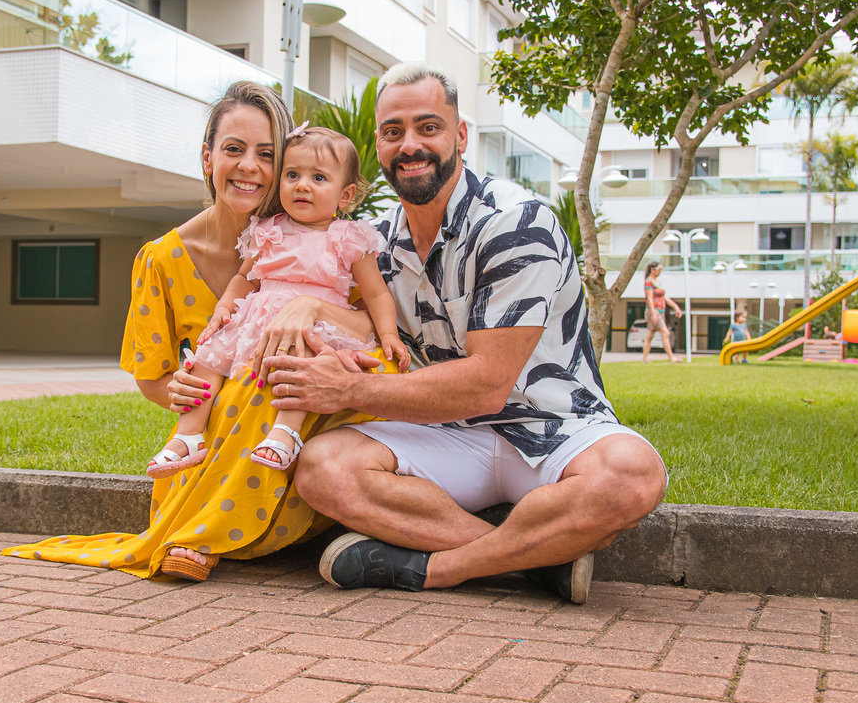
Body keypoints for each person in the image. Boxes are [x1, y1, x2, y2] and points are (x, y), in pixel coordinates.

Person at [260, 63, 668, 605]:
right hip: (448, 432)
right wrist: (311, 307)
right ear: (378, 146)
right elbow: (361, 323)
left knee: (632, 475)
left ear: (460, 136)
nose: (410, 145)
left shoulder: (516, 222)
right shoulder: (372, 242)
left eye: (428, 128)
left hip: (552, 425)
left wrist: (350, 390)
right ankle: (535, 565)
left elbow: (486, 385)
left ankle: (437, 571)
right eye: (392, 131)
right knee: (322, 468)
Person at [3, 82, 394, 583]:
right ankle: (198, 527)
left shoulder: (325, 245)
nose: (249, 166)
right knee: (245, 382)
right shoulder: (162, 259)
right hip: (213, 435)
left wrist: (310, 305)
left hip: (293, 415)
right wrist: (180, 391)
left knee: (312, 370)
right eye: (234, 149)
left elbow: (370, 328)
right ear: (208, 157)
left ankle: (207, 533)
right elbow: (151, 377)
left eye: (267, 154)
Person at [145, 125, 409, 478]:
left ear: (344, 196)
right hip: (255, 320)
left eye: (318, 177)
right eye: (292, 174)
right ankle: (188, 435)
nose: (302, 185)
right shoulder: (267, 229)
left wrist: (389, 334)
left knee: (301, 364)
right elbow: (244, 278)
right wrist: (224, 307)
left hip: (313, 326)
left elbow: (376, 293)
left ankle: (286, 433)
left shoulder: (348, 237)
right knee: (207, 357)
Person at [642, 261, 682, 363]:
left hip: (661, 311)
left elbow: (664, 297)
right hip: (654, 311)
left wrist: (675, 307)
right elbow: (649, 298)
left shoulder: (658, 282)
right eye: (659, 269)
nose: (660, 271)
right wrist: (653, 313)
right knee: (665, 333)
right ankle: (671, 358)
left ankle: (645, 359)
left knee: (650, 335)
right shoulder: (649, 282)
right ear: (653, 269)